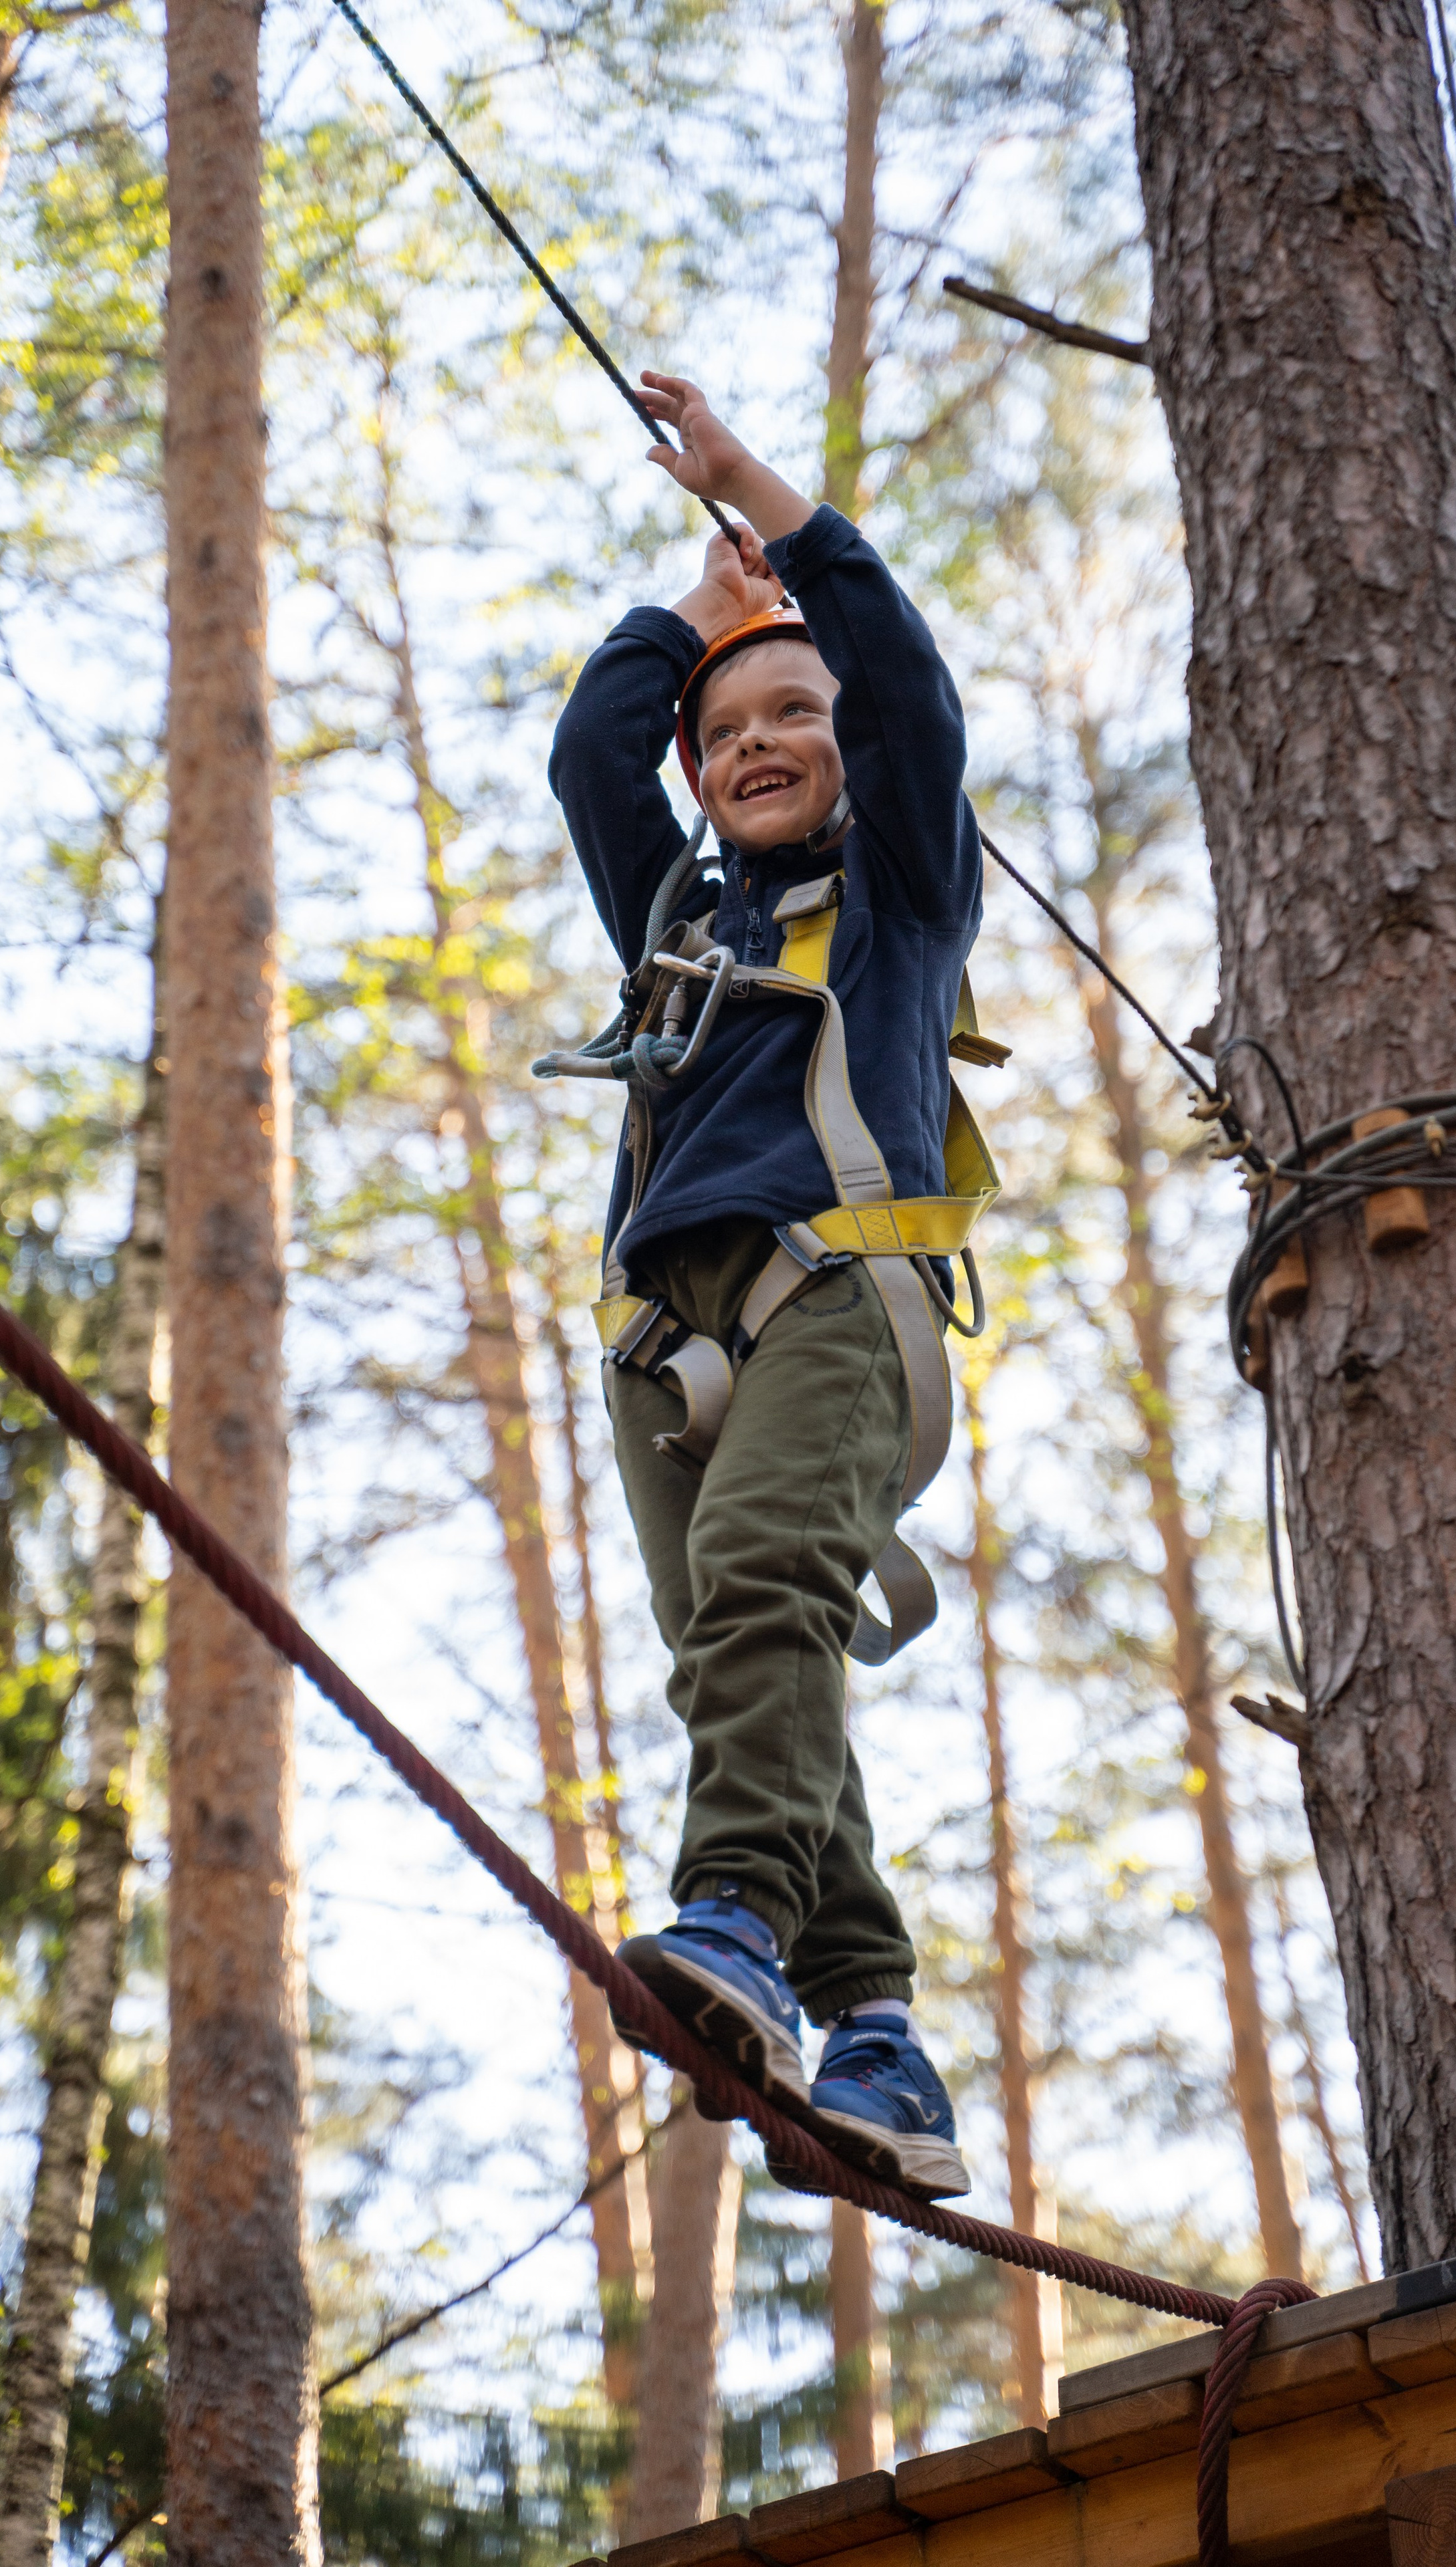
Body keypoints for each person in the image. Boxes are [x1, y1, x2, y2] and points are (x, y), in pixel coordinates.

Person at [548, 374, 983, 2200]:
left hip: (833, 1294)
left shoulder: (898, 893)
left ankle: (729, 1914)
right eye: (727, 730)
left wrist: (772, 528)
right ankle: (872, 2027)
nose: (760, 741)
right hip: (665, 1342)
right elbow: (595, 754)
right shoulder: (673, 919)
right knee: (744, 1649)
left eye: (793, 714)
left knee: (761, 1588)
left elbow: (899, 686)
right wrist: (690, 615)